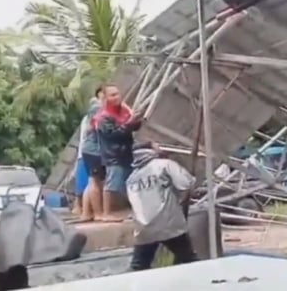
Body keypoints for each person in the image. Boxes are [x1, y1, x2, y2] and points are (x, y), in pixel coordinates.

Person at [127, 145, 197, 271]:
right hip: (168, 223)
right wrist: (180, 201)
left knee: (138, 267)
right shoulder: (165, 165)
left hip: (143, 228)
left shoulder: (131, 178)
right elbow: (187, 184)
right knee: (189, 259)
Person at [94, 83, 143, 222]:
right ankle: (106, 213)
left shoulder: (123, 111)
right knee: (112, 184)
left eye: (118, 94)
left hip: (127, 152)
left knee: (131, 183)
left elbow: (134, 127)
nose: (117, 97)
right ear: (106, 98)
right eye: (112, 95)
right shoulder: (103, 116)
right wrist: (129, 124)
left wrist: (135, 121)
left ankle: (135, 210)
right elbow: (112, 134)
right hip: (113, 155)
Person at [78, 87, 106, 221]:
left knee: (93, 181)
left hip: (90, 149)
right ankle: (98, 213)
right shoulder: (97, 107)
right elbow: (98, 128)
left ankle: (87, 212)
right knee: (94, 180)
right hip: (94, 149)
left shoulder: (96, 108)